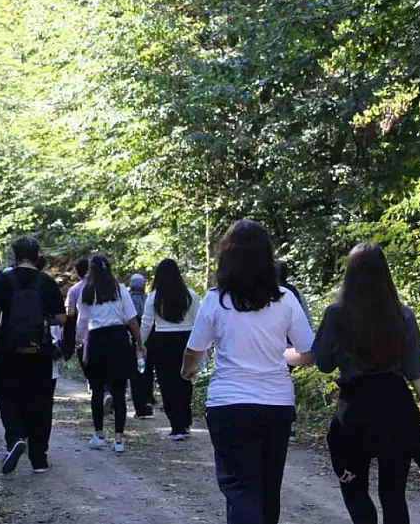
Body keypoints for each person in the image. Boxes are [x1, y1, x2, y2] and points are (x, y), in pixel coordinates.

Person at [285, 243, 420, 524]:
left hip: (355, 411)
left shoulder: (337, 314)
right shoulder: (402, 315)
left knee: (353, 485)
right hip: (397, 408)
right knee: (393, 493)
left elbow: (322, 363)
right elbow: (417, 371)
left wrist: (280, 352)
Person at [181, 219, 315, 524]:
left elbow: (194, 350)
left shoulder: (215, 299)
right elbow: (309, 353)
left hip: (229, 404)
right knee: (268, 489)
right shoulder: (285, 298)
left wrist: (187, 371)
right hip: (277, 405)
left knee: (241, 489)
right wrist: (278, 355)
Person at [0, 237, 67, 474]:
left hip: (10, 351)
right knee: (41, 402)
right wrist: (44, 318)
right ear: (36, 255)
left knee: (7, 397)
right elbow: (62, 318)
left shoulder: (4, 280)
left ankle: (14, 439)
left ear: (15, 255)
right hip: (39, 351)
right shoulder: (46, 281)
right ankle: (39, 458)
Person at [75, 255, 144, 454]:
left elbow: (82, 322)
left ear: (91, 270)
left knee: (97, 390)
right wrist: (140, 344)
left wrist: (78, 343)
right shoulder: (120, 290)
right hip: (119, 339)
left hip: (96, 340)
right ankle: (119, 439)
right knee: (119, 391)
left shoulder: (87, 292)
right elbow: (131, 320)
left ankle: (98, 434)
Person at [141, 259, 199, 440]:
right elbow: (199, 321)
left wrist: (140, 343)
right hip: (186, 340)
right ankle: (186, 420)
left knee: (167, 384)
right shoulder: (190, 295)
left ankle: (176, 426)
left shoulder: (154, 297)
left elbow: (146, 322)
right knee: (185, 380)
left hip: (162, 341)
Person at [127, 273, 155, 419]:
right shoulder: (148, 299)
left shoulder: (128, 300)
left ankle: (140, 406)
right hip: (149, 340)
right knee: (148, 371)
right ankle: (148, 399)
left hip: (132, 340)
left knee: (135, 373)